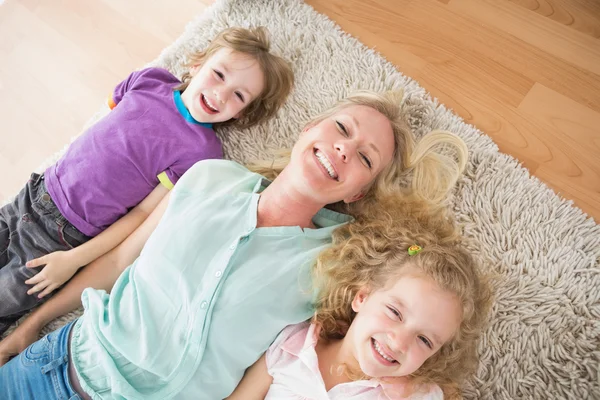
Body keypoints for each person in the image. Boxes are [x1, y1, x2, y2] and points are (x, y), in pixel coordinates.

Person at [0, 90, 468, 399]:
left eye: (365, 157)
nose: (345, 148)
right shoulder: (209, 177)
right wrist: (30, 326)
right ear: (309, 130)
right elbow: (123, 258)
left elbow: (389, 331)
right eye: (342, 129)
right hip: (58, 366)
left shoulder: (337, 260)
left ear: (357, 193)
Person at [0, 26, 294, 335]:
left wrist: (73, 260)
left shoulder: (200, 153)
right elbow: (107, 122)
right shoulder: (150, 80)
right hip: (33, 194)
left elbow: (140, 215)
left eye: (238, 95)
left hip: (61, 237)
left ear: (242, 114)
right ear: (197, 64)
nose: (221, 94)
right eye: (219, 74)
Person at [227, 198, 492, 399]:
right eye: (395, 313)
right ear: (362, 297)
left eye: (424, 340)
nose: (399, 342)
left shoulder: (415, 394)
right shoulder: (291, 345)